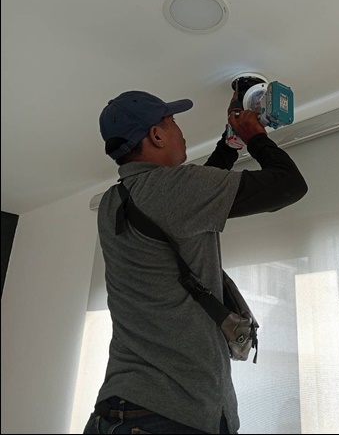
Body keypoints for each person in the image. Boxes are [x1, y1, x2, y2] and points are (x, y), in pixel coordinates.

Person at [83, 89, 308, 435]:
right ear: (156, 135)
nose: (179, 130)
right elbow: (289, 185)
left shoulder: (113, 201)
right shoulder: (172, 190)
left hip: (116, 409)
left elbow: (191, 201)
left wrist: (230, 145)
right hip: (173, 412)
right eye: (172, 121)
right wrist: (255, 138)